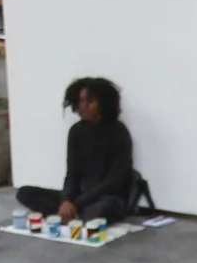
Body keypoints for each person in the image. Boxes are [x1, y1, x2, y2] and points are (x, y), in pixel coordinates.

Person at [14, 77, 139, 226]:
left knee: (104, 207)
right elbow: (72, 173)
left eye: (89, 102)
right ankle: (72, 214)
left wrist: (77, 203)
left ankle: (71, 215)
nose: (82, 106)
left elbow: (114, 181)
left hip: (106, 197)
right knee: (25, 193)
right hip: (78, 197)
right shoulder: (76, 131)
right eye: (80, 101)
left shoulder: (118, 132)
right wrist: (66, 200)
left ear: (103, 104)